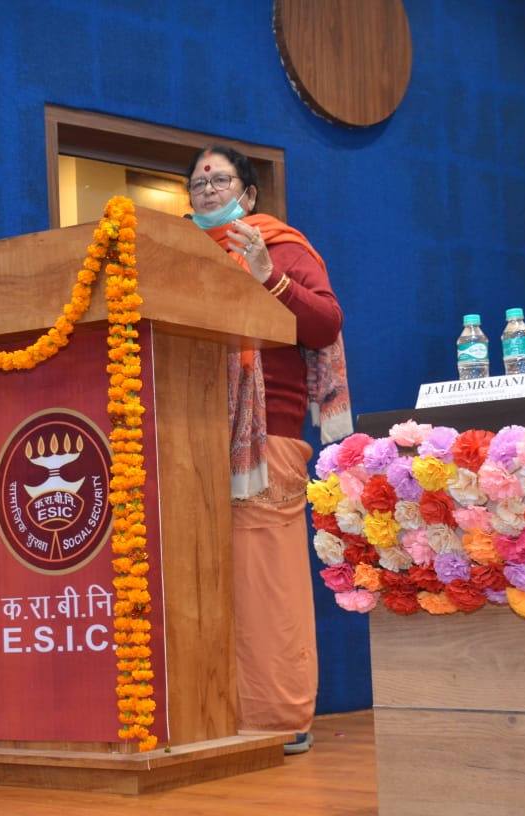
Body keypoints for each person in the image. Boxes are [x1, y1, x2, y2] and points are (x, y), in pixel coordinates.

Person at [184, 145, 352, 755]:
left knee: (264, 585)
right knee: (199, 582)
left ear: (248, 194)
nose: (207, 189)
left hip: (264, 440)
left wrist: (269, 279)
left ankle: (279, 717)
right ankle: (208, 715)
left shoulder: (280, 247)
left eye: (220, 180)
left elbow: (325, 324)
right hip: (185, 435)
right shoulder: (177, 253)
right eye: (197, 182)